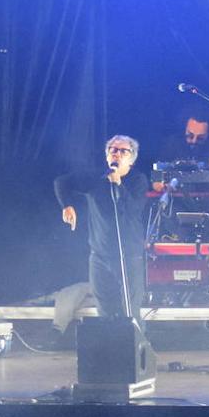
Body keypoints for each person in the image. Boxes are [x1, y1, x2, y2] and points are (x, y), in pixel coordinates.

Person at [54, 135, 150, 319]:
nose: (117, 154)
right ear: (107, 156)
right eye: (113, 150)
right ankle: (110, 347)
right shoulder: (95, 177)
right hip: (99, 255)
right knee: (105, 311)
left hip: (128, 256)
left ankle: (136, 346)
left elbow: (133, 209)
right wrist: (67, 205)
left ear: (131, 159)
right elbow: (61, 182)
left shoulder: (138, 180)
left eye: (123, 151)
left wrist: (118, 184)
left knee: (130, 312)